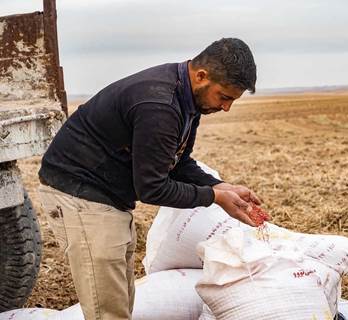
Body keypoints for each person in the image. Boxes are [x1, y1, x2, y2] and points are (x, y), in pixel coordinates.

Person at [37, 38, 259, 320]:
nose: (226, 107)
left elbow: (178, 164)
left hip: (108, 194)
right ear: (201, 76)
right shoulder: (160, 104)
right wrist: (214, 198)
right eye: (224, 97)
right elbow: (153, 188)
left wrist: (219, 186)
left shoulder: (187, 100)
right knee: (108, 310)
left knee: (121, 300)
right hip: (80, 194)